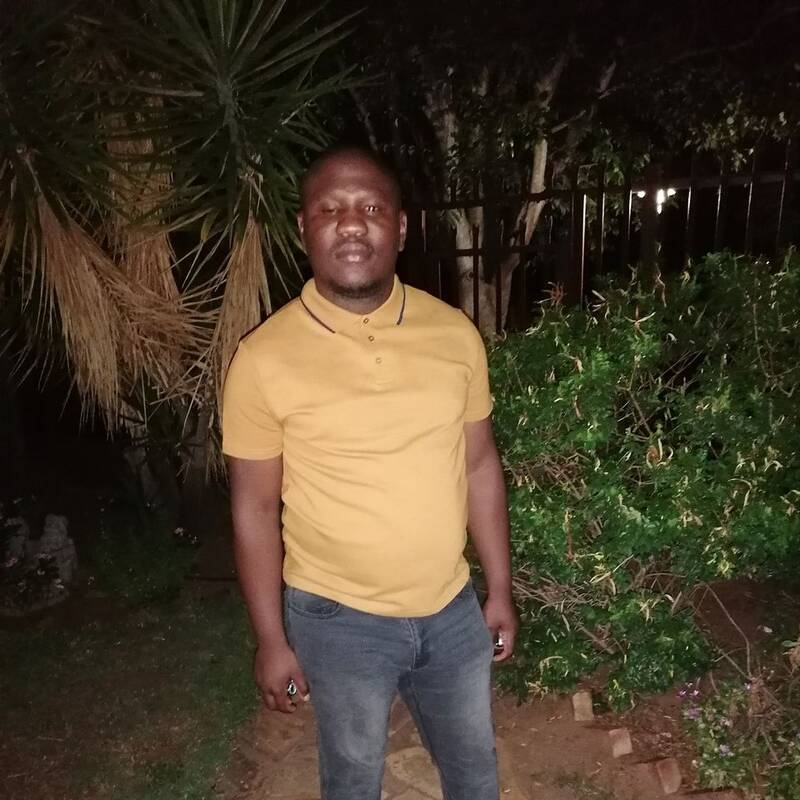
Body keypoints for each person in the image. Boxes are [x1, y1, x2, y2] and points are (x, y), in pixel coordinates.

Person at [222, 145, 518, 800]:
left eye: (372, 208)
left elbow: (478, 463)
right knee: (353, 778)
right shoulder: (262, 359)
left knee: (475, 771)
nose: (352, 223)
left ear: (401, 227)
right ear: (303, 228)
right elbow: (253, 508)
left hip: (450, 608)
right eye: (330, 210)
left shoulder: (455, 335)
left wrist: (497, 587)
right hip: (338, 620)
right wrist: (270, 639)